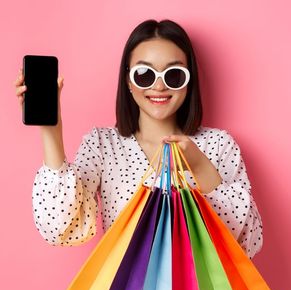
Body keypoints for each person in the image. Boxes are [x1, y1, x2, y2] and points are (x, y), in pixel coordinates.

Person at [13, 19, 263, 258]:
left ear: (189, 81)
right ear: (128, 80)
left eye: (173, 75)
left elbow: (247, 243)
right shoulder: (103, 145)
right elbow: (59, 227)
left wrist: (200, 167)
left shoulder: (218, 145)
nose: (159, 86)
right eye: (145, 74)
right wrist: (51, 128)